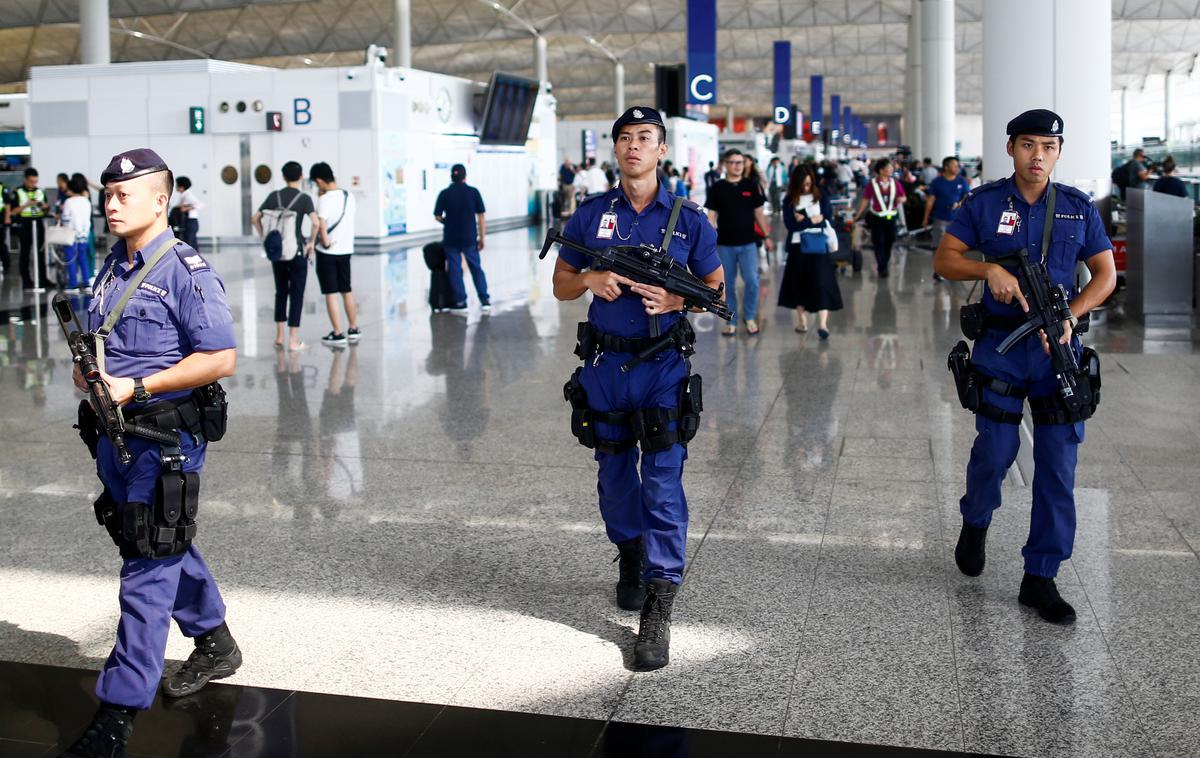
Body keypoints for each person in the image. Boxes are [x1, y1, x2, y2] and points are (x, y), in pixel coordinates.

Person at [59, 148, 241, 757]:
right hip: (116, 438)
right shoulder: (114, 267)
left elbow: (219, 358)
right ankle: (215, 640)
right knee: (156, 539)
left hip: (166, 440)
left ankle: (118, 714)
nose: (110, 204)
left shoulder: (185, 272)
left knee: (146, 570)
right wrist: (91, 377)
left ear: (160, 201)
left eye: (123, 195)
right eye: (106, 193)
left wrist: (136, 386)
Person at [551, 106, 722, 671]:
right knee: (615, 476)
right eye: (625, 138)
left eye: (644, 138)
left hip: (662, 366)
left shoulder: (689, 219)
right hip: (604, 366)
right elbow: (560, 284)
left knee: (664, 483)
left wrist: (679, 299)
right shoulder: (592, 215)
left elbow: (716, 290)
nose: (633, 147)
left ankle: (659, 597)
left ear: (662, 150)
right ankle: (629, 553)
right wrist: (588, 280)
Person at [933, 109, 1116, 625]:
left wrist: (1070, 318)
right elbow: (944, 260)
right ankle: (976, 518)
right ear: (1011, 148)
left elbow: (1105, 275)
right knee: (996, 448)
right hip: (1002, 347)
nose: (1039, 156)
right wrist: (987, 267)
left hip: (1059, 351)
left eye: (1050, 147)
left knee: (1058, 465)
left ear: (1059, 152)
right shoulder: (985, 203)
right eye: (1029, 145)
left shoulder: (1079, 208)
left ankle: (1041, 577)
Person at [252, 160, 321, 351]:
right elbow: (315, 223)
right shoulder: (304, 198)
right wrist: (310, 243)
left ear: (283, 176)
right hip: (296, 252)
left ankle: (279, 337)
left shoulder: (274, 196)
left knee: (281, 292)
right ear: (301, 177)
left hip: (277, 253)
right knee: (296, 294)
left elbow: (255, 218)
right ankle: (293, 340)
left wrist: (265, 238)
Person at [706, 149, 772, 335]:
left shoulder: (750, 186)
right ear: (725, 164)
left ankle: (749, 316)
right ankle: (731, 320)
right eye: (733, 162)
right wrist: (710, 239)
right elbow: (711, 215)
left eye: (740, 162)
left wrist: (767, 236)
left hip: (748, 244)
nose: (737, 166)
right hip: (725, 244)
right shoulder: (717, 188)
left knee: (752, 281)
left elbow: (759, 213)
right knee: (728, 285)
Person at [778, 167, 842, 340]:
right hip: (798, 247)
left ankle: (822, 324)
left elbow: (827, 217)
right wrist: (812, 219)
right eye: (803, 183)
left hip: (818, 245)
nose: (807, 186)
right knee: (799, 283)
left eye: (809, 183)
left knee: (822, 283)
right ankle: (802, 320)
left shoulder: (820, 195)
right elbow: (791, 225)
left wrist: (805, 219)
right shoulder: (789, 199)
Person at [310, 161, 360, 345]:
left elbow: (320, 224)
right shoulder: (349, 196)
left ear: (320, 181)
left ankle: (338, 333)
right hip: (346, 249)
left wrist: (325, 241)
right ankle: (353, 328)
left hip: (328, 252)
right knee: (346, 290)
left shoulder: (324, 200)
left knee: (331, 292)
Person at [433, 163, 490, 312]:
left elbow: (438, 216)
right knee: (476, 268)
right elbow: (481, 216)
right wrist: (482, 237)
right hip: (469, 237)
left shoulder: (444, 193)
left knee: (455, 270)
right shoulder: (473, 192)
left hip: (451, 238)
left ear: (452, 176)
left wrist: (447, 221)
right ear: (465, 176)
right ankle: (484, 299)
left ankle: (460, 302)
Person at [851, 158, 906, 278]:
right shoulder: (872, 184)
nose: (891, 169)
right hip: (876, 218)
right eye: (888, 168)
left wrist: (901, 199)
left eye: (891, 168)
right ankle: (882, 267)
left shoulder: (895, 183)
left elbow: (903, 196)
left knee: (890, 240)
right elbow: (865, 200)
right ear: (881, 171)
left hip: (891, 218)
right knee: (878, 242)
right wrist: (858, 214)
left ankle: (884, 262)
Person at [6, 167, 49, 289]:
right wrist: (27, 204)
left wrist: (44, 206)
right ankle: (26, 281)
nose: (33, 184)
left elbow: (47, 208)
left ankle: (43, 279)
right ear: (25, 180)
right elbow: (13, 212)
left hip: (38, 223)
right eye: (31, 181)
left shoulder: (40, 192)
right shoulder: (17, 192)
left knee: (41, 252)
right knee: (25, 252)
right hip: (24, 224)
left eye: (35, 181)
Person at [923, 156, 971, 253]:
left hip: (957, 219)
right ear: (946, 167)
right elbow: (930, 200)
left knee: (955, 248)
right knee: (938, 247)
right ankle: (938, 266)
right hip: (939, 218)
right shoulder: (937, 182)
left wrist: (959, 204)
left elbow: (967, 197)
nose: (957, 168)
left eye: (958, 166)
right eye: (954, 166)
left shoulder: (962, 181)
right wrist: (926, 217)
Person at [59, 174, 95, 290]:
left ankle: (73, 284)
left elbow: (65, 218)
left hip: (71, 235)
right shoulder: (86, 201)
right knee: (82, 258)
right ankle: (86, 281)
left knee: (71, 259)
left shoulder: (69, 202)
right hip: (84, 235)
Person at [167, 176, 203, 250]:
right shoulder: (183, 195)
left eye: (177, 185)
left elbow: (200, 204)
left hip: (191, 222)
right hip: (188, 222)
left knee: (190, 243)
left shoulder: (188, 195)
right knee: (192, 243)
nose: (176, 187)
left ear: (182, 186)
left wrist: (186, 208)